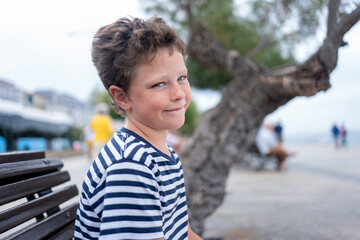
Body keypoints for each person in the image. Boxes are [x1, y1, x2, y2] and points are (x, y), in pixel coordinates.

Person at [74, 16, 202, 240]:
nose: (179, 94)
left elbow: (185, 233)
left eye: (182, 78)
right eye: (159, 84)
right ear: (122, 97)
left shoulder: (164, 154)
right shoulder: (131, 166)